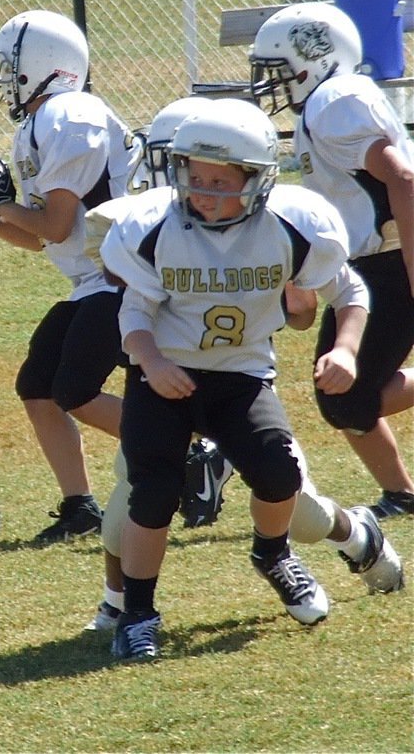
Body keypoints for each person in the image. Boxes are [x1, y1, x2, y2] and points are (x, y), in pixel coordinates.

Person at [98, 98, 374, 659]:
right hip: (165, 374)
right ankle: (137, 614)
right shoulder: (155, 227)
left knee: (279, 471)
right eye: (194, 178)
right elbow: (133, 314)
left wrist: (346, 349)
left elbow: (349, 291)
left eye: (219, 182)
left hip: (242, 372)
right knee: (151, 492)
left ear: (257, 180)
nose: (201, 192)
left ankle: (272, 552)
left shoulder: (292, 226)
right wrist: (151, 362)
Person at [0, 9, 140, 544]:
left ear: (38, 66)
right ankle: (80, 507)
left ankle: (190, 449)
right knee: (38, 387)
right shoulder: (43, 122)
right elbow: (42, 236)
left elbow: (56, 224)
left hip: (125, 278)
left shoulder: (69, 114)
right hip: (95, 279)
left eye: (7, 63)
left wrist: (5, 206)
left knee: (74, 388)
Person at [250, 1, 414, 519]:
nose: (270, 85)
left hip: (390, 257)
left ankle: (401, 493)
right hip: (373, 260)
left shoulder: (334, 101)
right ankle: (402, 494)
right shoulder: (329, 101)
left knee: (346, 395)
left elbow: (402, 180)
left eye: (277, 71)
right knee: (340, 392)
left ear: (312, 59)